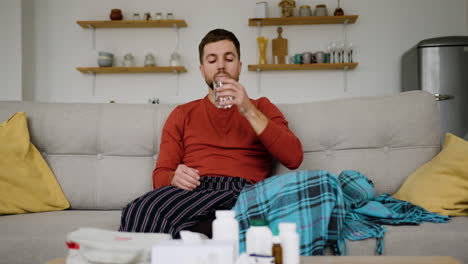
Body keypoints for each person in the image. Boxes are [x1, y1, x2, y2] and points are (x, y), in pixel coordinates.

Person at [119, 28, 303, 237]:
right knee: (140, 210)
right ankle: (215, 234)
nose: (221, 65)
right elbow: (160, 176)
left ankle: (199, 236)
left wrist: (248, 110)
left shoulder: (261, 107)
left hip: (245, 193)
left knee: (315, 190)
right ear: (202, 69)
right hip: (196, 192)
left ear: (240, 67)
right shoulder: (182, 114)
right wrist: (173, 178)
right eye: (212, 60)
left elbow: (294, 157)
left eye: (229, 58)